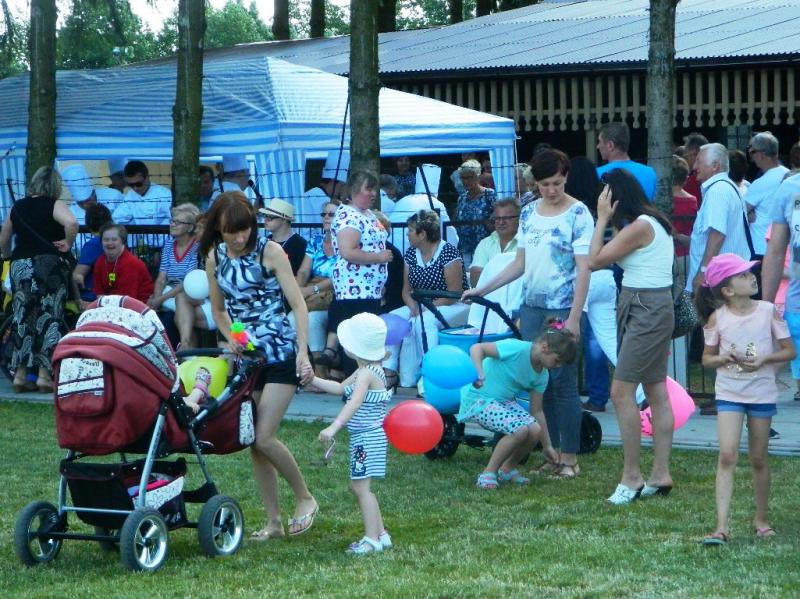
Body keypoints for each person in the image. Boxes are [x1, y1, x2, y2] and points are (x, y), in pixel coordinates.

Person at [463, 149, 593, 480]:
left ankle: (570, 457)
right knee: (542, 381)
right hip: (532, 307)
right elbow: (519, 264)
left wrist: (575, 316)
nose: (551, 190)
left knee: (563, 383)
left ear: (566, 177)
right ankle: (553, 454)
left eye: (557, 183)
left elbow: (584, 269)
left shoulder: (579, 213)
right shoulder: (529, 212)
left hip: (563, 306)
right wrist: (483, 289)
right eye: (545, 184)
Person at [200, 191, 317, 540]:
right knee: (253, 440)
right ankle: (274, 522)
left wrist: (302, 352)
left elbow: (298, 304)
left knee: (264, 436)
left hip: (280, 352)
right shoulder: (214, 258)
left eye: (245, 229)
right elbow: (219, 311)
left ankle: (305, 498)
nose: (240, 237)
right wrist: (233, 337)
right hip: (249, 358)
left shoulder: (271, 251)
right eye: (231, 231)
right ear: (218, 229)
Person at [588, 168, 675, 504]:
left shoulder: (639, 226)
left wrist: (601, 219)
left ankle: (632, 476)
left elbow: (595, 261)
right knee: (655, 389)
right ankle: (660, 474)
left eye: (604, 195)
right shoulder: (649, 222)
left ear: (615, 197)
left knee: (621, 391)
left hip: (645, 307)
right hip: (648, 305)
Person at [694, 254, 795, 545]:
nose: (752, 277)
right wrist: (722, 357)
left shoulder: (768, 311)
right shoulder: (718, 318)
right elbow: (707, 358)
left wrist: (765, 359)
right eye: (743, 275)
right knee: (727, 455)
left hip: (761, 391)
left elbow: (789, 351)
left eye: (750, 272)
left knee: (758, 458)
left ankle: (761, 519)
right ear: (727, 290)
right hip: (729, 392)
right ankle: (721, 527)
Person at [457, 320, 578, 489]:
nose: (558, 367)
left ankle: (507, 469)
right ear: (544, 348)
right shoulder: (516, 348)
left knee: (534, 430)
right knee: (519, 430)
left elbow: (537, 411)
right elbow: (477, 348)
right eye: (557, 361)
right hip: (478, 399)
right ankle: (488, 473)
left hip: (502, 402)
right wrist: (478, 372)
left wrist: (547, 446)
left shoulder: (542, 375)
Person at [314, 313, 393, 554]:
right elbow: (340, 388)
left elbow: (354, 402)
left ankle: (371, 540)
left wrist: (333, 426)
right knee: (360, 487)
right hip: (368, 438)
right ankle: (381, 534)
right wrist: (313, 379)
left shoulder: (366, 373)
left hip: (366, 439)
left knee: (361, 489)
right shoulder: (368, 370)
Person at [0, 166, 79, 393]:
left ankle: (20, 375)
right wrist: (68, 242)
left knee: (22, 317)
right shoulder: (54, 204)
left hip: (21, 265)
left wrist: (7, 255)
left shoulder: (17, 207)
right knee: (49, 316)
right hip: (48, 266)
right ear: (55, 185)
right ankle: (44, 376)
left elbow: (4, 236)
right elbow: (72, 223)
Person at [383, 209, 469, 389]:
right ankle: (389, 371)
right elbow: (406, 290)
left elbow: (454, 293)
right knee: (392, 318)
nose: (407, 235)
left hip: (453, 304)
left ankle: (430, 372)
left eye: (410, 231)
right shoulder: (411, 254)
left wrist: (424, 308)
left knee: (426, 322)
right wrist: (413, 306)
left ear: (422, 234)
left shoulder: (448, 252)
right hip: (421, 303)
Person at [320, 171, 393, 377]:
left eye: (374, 189)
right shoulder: (348, 216)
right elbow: (348, 252)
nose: (373, 193)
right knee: (359, 342)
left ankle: (366, 383)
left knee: (367, 339)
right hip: (355, 290)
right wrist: (378, 257)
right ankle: (356, 384)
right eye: (368, 189)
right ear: (353, 190)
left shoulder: (367, 213)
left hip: (369, 289)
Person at [687, 143, 752, 293]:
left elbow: (717, 235)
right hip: (726, 278)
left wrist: (703, 272)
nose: (694, 166)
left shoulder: (718, 190)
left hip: (717, 280)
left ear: (715, 166)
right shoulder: (726, 187)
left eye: (698, 161)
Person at [292, 200, 338, 377]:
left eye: (331, 214)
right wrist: (297, 291)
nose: (326, 217)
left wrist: (311, 291)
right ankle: (302, 368)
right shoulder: (316, 241)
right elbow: (304, 271)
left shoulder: (346, 242)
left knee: (313, 320)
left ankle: (320, 370)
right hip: (314, 287)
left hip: (334, 291)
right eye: (324, 214)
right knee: (291, 318)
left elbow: (339, 276)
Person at [148, 203, 204, 348]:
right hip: (169, 292)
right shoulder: (168, 245)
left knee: (171, 318)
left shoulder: (196, 247)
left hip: (188, 291)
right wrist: (156, 302)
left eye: (178, 222)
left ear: (190, 227)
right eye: (172, 220)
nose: (172, 224)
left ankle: (186, 350)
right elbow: (161, 278)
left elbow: (188, 282)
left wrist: (160, 299)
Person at [745, 132, 789, 257]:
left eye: (752, 152)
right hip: (785, 247)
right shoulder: (790, 176)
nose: (751, 157)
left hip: (761, 248)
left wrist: (749, 214)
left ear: (761, 154)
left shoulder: (760, 183)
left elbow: (740, 211)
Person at [92, 223, 154, 303]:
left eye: (114, 239)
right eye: (106, 240)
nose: (109, 243)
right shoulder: (100, 262)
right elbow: (99, 292)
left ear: (123, 241)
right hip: (112, 304)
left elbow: (125, 300)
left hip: (137, 305)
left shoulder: (131, 263)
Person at [595, 121, 657, 201]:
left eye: (600, 141)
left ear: (610, 145)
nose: (598, 146)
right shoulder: (649, 172)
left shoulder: (596, 174)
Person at [469, 198, 520, 287]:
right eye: (497, 218)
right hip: (488, 295)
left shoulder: (527, 243)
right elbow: (475, 278)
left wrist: (489, 276)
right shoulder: (485, 244)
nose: (501, 222)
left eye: (506, 218)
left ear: (519, 218)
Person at [455, 158, 497, 267]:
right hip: (465, 249)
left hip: (485, 248)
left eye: (469, 177)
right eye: (463, 178)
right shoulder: (462, 198)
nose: (466, 181)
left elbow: (497, 218)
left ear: (478, 176)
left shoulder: (489, 195)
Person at [73, 203, 113, 306]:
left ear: (88, 224)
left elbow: (78, 276)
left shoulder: (93, 244)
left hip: (91, 297)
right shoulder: (118, 242)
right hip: (113, 295)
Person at [113, 160, 172, 225]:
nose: (135, 188)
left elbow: (172, 219)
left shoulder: (164, 195)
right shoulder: (130, 195)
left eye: (138, 184)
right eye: (131, 185)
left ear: (147, 177)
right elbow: (117, 217)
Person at [299, 150, 349, 225]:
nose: (340, 190)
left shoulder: (307, 194)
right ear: (333, 182)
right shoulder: (327, 202)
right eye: (341, 186)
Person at [259, 198, 307, 276]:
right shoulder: (264, 242)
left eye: (270, 217)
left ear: (284, 220)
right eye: (265, 216)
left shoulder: (300, 245)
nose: (265, 220)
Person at [682, 132, 708, 204]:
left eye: (686, 155)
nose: (685, 159)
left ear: (695, 153)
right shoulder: (711, 173)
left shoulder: (692, 181)